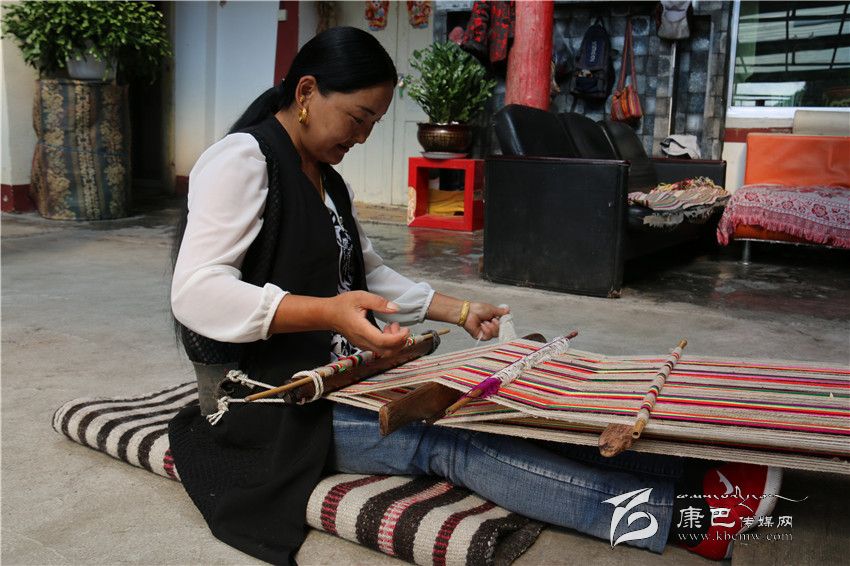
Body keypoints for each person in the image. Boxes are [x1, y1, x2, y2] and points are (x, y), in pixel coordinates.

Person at [169, 26, 780, 565]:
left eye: (374, 124)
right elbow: (196, 292)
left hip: (340, 377)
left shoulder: (326, 180)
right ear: (306, 93)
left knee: (487, 407)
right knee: (449, 439)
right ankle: (683, 519)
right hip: (271, 405)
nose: (363, 136)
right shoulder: (242, 159)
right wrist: (327, 312)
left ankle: (693, 472)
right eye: (358, 118)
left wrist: (459, 311)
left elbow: (364, 272)